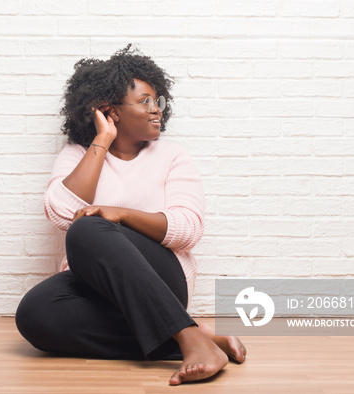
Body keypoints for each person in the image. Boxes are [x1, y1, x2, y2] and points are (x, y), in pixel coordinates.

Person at [15, 44, 246, 386]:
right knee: (33, 315)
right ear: (110, 110)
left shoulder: (172, 156)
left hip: (162, 278)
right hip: (94, 287)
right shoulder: (78, 153)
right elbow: (61, 212)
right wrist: (103, 140)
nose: (157, 111)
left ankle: (188, 338)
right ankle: (196, 337)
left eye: (158, 101)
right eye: (145, 102)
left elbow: (188, 228)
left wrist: (120, 214)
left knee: (87, 228)